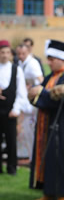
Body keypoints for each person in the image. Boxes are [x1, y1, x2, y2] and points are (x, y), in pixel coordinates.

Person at [28, 40, 64, 200]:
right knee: (48, 158)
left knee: (62, 159)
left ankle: (63, 194)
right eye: (48, 59)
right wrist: (39, 94)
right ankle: (48, 192)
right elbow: (39, 97)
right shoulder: (50, 77)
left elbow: (58, 98)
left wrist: (41, 92)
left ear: (61, 59)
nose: (48, 62)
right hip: (47, 125)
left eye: (51, 59)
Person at [0, 40, 28, 176]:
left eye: (7, 53)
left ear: (10, 54)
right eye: (2, 53)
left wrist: (16, 109)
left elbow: (21, 91)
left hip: (10, 109)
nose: (4, 55)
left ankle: (12, 168)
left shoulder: (16, 70)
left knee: (11, 140)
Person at [16, 43, 44, 160]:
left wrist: (31, 86)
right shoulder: (20, 63)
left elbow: (41, 81)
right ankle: (26, 154)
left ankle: (34, 157)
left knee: (31, 129)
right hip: (23, 99)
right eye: (19, 54)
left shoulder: (33, 64)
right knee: (24, 129)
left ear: (28, 52)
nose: (21, 56)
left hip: (32, 102)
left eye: (23, 54)